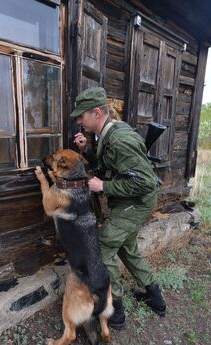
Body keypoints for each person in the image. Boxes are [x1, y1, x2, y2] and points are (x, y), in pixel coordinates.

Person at [71, 87, 166, 329]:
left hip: (136, 203)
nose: (79, 121)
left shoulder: (119, 138)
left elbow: (144, 182)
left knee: (102, 247)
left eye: (82, 116)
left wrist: (103, 185)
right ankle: (155, 298)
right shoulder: (107, 133)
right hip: (129, 203)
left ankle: (116, 312)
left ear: (96, 112)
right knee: (127, 248)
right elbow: (112, 164)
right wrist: (87, 151)